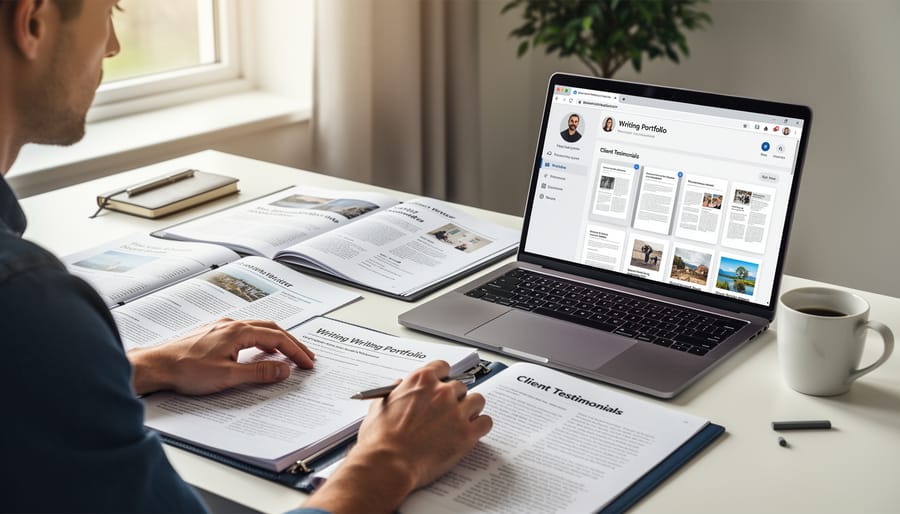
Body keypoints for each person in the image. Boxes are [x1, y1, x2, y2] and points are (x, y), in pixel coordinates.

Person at [0, 1, 491, 512]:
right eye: (111, 10)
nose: (114, 46)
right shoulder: (27, 304)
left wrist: (143, 367)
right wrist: (388, 461)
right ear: (32, 21)